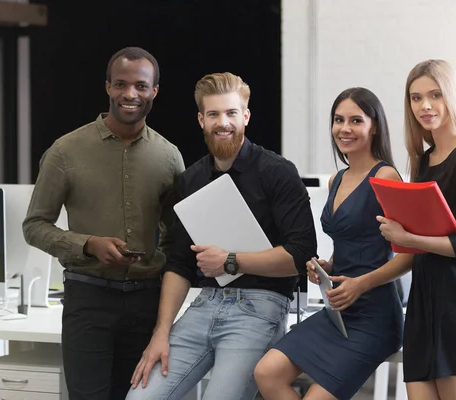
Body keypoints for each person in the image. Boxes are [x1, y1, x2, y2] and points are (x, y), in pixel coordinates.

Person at [126, 72, 317, 400]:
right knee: (140, 398)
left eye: (231, 113)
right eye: (213, 114)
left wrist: (230, 261)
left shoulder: (277, 171)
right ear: (201, 120)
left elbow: (301, 256)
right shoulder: (191, 180)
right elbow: (179, 264)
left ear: (245, 116)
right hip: (203, 306)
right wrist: (161, 333)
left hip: (260, 308)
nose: (223, 123)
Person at [22, 47, 185, 400]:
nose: (130, 94)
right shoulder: (65, 151)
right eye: (121, 84)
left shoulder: (169, 156)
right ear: (108, 87)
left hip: (148, 302)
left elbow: (178, 235)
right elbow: (34, 225)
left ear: (154, 91)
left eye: (141, 86)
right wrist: (87, 244)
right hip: (88, 299)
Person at [253, 87, 404, 400]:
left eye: (355, 120)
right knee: (266, 373)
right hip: (338, 311)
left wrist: (360, 284)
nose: (344, 128)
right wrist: (328, 266)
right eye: (338, 120)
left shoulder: (387, 175)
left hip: (375, 316)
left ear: (373, 126)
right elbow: (352, 242)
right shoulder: (337, 179)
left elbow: (409, 255)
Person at [369, 59, 456, 399]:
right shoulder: (423, 159)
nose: (424, 106)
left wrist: (407, 238)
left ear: (451, 96)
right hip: (422, 301)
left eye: (435, 95)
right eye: (415, 97)